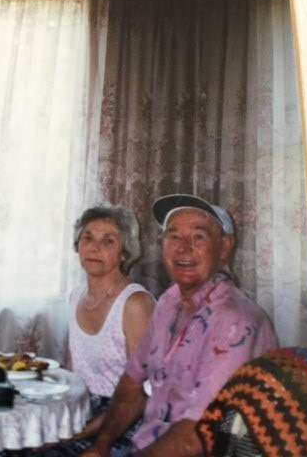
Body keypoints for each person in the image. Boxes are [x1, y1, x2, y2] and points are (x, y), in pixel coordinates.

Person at [81, 194, 278, 457]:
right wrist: (101, 445)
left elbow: (196, 438)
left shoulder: (236, 322)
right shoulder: (169, 302)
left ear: (224, 247)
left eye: (198, 237)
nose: (183, 247)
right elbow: (133, 385)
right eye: (173, 236)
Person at [65, 204, 155, 454]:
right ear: (77, 246)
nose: (94, 248)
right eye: (88, 238)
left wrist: (89, 431)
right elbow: (74, 371)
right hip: (81, 412)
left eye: (108, 241)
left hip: (123, 423)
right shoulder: (76, 296)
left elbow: (142, 392)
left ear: (124, 252)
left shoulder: (136, 303)